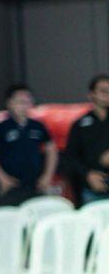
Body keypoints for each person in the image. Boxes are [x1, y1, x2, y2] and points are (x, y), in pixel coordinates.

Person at [0, 84, 57, 206]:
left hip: (36, 183)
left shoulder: (38, 126)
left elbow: (52, 150)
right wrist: (2, 179)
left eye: (28, 101)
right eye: (20, 102)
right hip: (12, 184)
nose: (24, 106)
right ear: (9, 103)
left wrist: (47, 176)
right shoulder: (1, 127)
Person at [64, 74, 109, 204]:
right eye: (103, 91)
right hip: (91, 188)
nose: (108, 94)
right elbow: (70, 157)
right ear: (91, 95)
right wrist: (88, 174)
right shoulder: (80, 124)